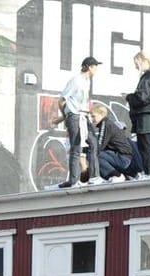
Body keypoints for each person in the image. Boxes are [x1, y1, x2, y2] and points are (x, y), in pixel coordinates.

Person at [57, 56, 100, 188]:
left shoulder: (87, 81)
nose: (96, 70)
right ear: (89, 67)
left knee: (93, 143)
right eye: (95, 67)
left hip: (84, 115)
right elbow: (62, 100)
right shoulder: (76, 80)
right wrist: (66, 116)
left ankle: (94, 177)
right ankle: (73, 181)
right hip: (75, 116)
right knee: (76, 148)